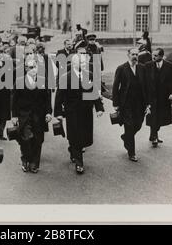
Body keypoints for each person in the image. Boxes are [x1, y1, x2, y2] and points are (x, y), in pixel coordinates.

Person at [54, 40, 104, 174]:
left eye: (85, 62)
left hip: (86, 111)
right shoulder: (66, 77)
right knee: (75, 135)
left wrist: (99, 108)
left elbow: (95, 93)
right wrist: (58, 113)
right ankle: (79, 162)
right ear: (75, 63)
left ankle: (73, 150)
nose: (84, 64)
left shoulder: (90, 76)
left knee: (83, 136)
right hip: (72, 112)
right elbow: (59, 96)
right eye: (81, 63)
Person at [12, 59, 52, 173]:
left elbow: (47, 98)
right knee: (26, 138)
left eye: (34, 66)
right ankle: (25, 159)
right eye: (30, 67)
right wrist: (14, 116)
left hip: (39, 115)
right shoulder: (19, 81)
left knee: (38, 139)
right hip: (24, 115)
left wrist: (49, 112)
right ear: (25, 69)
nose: (33, 69)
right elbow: (14, 100)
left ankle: (34, 162)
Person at [112, 48, 148, 162]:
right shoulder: (121, 68)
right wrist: (116, 104)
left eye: (137, 54)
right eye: (133, 54)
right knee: (129, 125)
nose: (135, 56)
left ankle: (126, 137)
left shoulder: (142, 68)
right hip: (126, 103)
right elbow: (115, 86)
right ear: (128, 55)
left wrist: (148, 103)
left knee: (138, 124)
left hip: (139, 103)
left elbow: (147, 86)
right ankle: (131, 152)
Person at [144, 48, 172, 147]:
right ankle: (154, 136)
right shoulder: (148, 66)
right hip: (151, 96)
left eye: (156, 55)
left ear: (161, 56)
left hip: (164, 96)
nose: (153, 57)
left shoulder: (169, 66)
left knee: (160, 116)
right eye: (153, 55)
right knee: (153, 115)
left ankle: (153, 134)